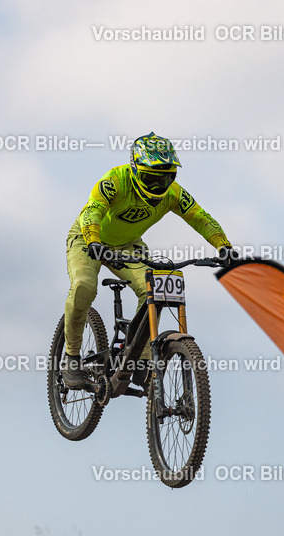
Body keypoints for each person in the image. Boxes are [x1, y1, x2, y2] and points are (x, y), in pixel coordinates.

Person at [62, 132, 237, 388]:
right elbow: (93, 211)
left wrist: (224, 246)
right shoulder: (114, 181)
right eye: (150, 178)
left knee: (153, 291)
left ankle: (140, 359)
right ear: (134, 169)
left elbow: (200, 217)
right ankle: (71, 359)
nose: (158, 186)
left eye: (165, 178)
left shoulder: (173, 193)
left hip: (129, 245)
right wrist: (93, 241)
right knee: (84, 287)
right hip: (88, 239)